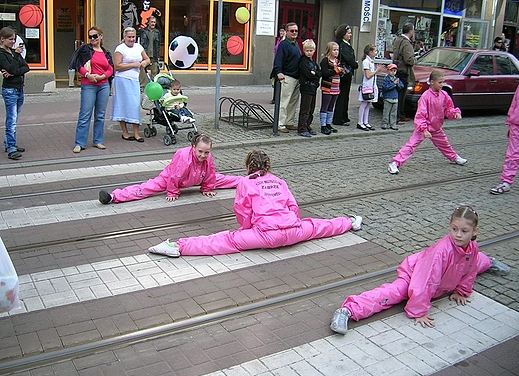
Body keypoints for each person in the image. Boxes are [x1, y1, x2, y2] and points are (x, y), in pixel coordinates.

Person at [330, 205, 511, 335]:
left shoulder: (472, 248)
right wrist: (419, 310)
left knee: (475, 262)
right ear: (450, 226)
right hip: (415, 275)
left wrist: (463, 291)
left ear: (474, 231)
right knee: (394, 293)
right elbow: (425, 280)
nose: (458, 235)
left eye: (464, 231)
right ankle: (347, 311)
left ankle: (491, 261)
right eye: (454, 229)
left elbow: (471, 268)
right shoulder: (442, 251)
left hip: (449, 275)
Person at [148, 150, 363, 257]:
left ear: (248, 166)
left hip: (266, 235)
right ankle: (351, 221)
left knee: (225, 240)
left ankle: (178, 246)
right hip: (294, 230)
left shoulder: (246, 183)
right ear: (268, 166)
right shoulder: (279, 180)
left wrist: (246, 231)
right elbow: (293, 207)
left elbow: (242, 212)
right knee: (319, 226)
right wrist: (292, 224)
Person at [98, 134, 241, 204]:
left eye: (206, 152)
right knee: (147, 188)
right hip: (171, 179)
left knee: (227, 179)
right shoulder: (184, 156)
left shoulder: (207, 157)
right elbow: (175, 176)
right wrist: (172, 191)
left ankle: (254, 178)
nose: (203, 155)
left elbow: (211, 173)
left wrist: (208, 188)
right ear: (193, 148)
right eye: (200, 151)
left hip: (198, 177)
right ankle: (113, 197)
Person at [387, 70, 467, 174]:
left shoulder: (444, 95)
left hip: (436, 127)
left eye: (443, 82)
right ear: (432, 82)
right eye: (440, 82)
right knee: (411, 145)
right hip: (423, 128)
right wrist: (424, 129)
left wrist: (454, 114)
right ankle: (395, 163)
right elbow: (421, 114)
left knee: (444, 144)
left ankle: (454, 157)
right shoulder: (425, 96)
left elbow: (449, 108)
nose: (442, 85)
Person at [69, 26, 114, 154]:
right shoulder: (85, 50)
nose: (93, 39)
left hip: (103, 85)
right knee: (85, 114)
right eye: (90, 37)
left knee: (100, 115)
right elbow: (78, 64)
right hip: (88, 84)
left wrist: (102, 76)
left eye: (95, 36)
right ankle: (79, 143)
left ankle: (98, 140)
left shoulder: (106, 53)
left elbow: (110, 69)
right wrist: (87, 75)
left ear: (101, 36)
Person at [110, 27, 150, 142]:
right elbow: (117, 66)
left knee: (134, 105)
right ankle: (125, 132)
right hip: (122, 80)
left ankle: (136, 133)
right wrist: (133, 64)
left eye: (133, 37)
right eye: (129, 37)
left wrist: (144, 62)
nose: (131, 39)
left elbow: (147, 59)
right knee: (122, 105)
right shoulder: (120, 49)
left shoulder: (138, 47)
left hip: (134, 80)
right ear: (124, 37)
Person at [0, 27, 29, 161]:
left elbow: (25, 67)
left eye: (14, 39)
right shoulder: (2, 53)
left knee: (15, 118)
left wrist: (12, 72)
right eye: (11, 39)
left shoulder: (12, 52)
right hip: (10, 89)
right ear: (2, 39)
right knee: (11, 119)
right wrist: (16, 57)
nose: (13, 42)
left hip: (19, 88)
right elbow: (12, 67)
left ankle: (9, 143)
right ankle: (11, 147)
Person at [490, 83, 519, 194]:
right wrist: (510, 121)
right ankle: (506, 182)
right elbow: (515, 103)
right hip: (516, 125)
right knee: (512, 154)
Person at [272, 22, 301, 133]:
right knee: (284, 102)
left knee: (293, 102)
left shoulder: (296, 44)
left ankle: (289, 122)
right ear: (286, 32)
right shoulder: (284, 44)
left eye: (296, 31)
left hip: (296, 77)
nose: (294, 33)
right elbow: (278, 59)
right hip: (287, 77)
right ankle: (280, 124)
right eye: (291, 31)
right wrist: (279, 72)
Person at [333, 24, 358, 126]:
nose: (350, 35)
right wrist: (355, 64)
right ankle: (339, 118)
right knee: (342, 96)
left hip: (345, 74)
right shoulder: (343, 46)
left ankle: (343, 116)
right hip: (344, 74)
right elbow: (350, 60)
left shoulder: (344, 44)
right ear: (343, 34)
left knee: (345, 96)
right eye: (348, 33)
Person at [357, 44, 385, 131]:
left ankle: (366, 121)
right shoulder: (366, 62)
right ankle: (360, 122)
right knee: (364, 103)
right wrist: (377, 70)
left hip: (372, 86)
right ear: (370, 52)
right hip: (367, 85)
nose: (376, 53)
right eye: (375, 51)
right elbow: (368, 75)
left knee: (368, 103)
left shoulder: (371, 61)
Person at [297, 39, 321, 138]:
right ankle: (302, 128)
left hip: (313, 88)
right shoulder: (303, 62)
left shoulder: (313, 62)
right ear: (304, 50)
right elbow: (307, 74)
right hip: (306, 88)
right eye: (307, 50)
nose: (309, 52)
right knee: (305, 109)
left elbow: (319, 73)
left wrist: (315, 74)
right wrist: (314, 75)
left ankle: (307, 125)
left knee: (311, 108)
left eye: (311, 50)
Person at [393, 23, 416, 125]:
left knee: (398, 93)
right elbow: (409, 60)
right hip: (404, 71)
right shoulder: (406, 43)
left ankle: (400, 114)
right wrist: (415, 59)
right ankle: (398, 116)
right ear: (411, 31)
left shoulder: (397, 40)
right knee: (401, 95)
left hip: (397, 69)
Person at [320, 41, 344, 135]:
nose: (336, 52)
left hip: (336, 87)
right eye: (334, 50)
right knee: (325, 106)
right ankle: (323, 125)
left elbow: (338, 72)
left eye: (337, 50)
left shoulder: (337, 61)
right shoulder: (325, 61)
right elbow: (325, 73)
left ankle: (328, 123)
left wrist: (341, 72)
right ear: (329, 50)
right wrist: (336, 71)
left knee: (331, 106)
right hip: (327, 87)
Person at [138, 15, 161, 88]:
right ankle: (142, 86)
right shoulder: (143, 31)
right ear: (148, 23)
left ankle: (153, 86)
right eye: (151, 22)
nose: (153, 24)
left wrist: (158, 56)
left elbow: (158, 45)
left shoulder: (157, 32)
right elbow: (140, 43)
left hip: (154, 54)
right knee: (142, 70)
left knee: (154, 71)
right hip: (145, 54)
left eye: (154, 22)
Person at [381, 63, 404, 130]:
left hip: (395, 98)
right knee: (386, 112)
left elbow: (401, 87)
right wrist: (393, 84)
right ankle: (385, 123)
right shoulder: (386, 79)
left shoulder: (397, 79)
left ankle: (393, 124)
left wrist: (397, 84)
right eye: (391, 71)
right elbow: (386, 87)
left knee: (393, 113)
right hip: (388, 98)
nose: (393, 72)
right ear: (388, 71)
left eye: (394, 71)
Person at [270, 25, 286, 104]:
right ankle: (275, 98)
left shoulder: (285, 41)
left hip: (282, 64)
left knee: (280, 82)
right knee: (275, 81)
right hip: (277, 62)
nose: (281, 32)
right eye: (280, 31)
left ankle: (279, 98)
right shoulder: (278, 40)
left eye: (283, 31)